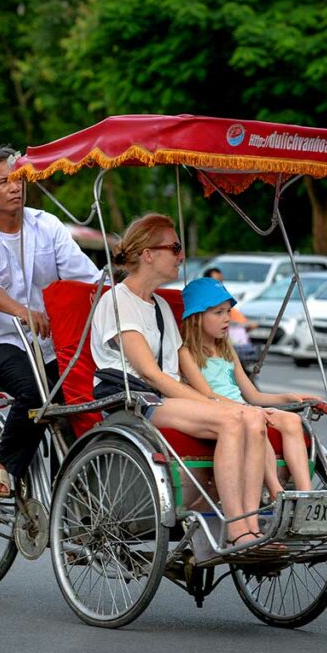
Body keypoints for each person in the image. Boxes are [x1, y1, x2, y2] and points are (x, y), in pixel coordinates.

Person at [90, 213, 269, 547]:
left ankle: (253, 525)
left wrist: (221, 400)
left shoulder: (158, 304)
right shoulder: (118, 301)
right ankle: (237, 528)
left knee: (251, 415)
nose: (181, 255)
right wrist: (213, 404)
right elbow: (150, 373)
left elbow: (181, 367)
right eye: (174, 247)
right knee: (231, 421)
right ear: (148, 254)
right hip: (136, 401)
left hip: (167, 397)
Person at [0, 145, 102, 497]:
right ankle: (1, 466)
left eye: (19, 179)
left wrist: (115, 295)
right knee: (37, 394)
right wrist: (23, 312)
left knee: (85, 402)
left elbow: (85, 277)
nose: (15, 187)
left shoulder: (46, 225)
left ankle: (71, 504)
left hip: (50, 344)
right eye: (4, 181)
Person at [179, 277, 315, 499]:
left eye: (228, 312)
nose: (226, 319)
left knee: (292, 420)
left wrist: (287, 397)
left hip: (244, 406)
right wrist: (250, 410)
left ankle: (306, 495)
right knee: (256, 422)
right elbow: (207, 395)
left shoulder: (226, 348)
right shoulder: (186, 352)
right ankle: (275, 491)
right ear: (196, 318)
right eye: (218, 313)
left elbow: (252, 394)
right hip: (219, 410)